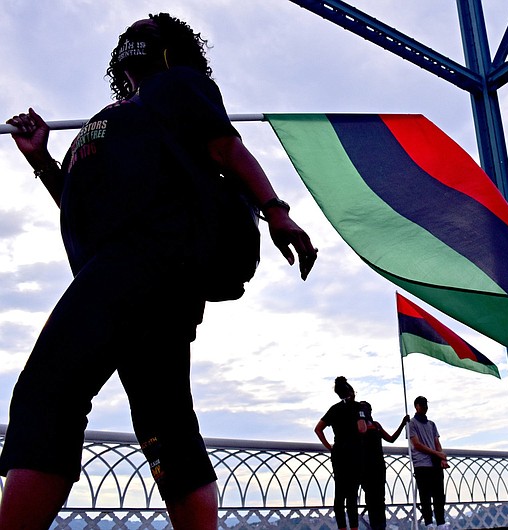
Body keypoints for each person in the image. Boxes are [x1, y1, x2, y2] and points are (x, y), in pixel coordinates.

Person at [0, 13, 317, 530]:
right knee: (166, 426)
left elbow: (225, 147)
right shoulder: (125, 114)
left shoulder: (176, 85)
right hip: (146, 278)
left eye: (148, 28)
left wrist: (276, 212)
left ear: (169, 48)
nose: (135, 33)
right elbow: (88, 209)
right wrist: (42, 162)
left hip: (145, 259)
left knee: (48, 392)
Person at [314, 377, 367, 530]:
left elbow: (318, 429)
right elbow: (362, 429)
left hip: (338, 454)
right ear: (351, 392)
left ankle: (342, 528)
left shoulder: (334, 409)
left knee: (340, 494)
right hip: (355, 454)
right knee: (352, 495)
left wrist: (329, 447)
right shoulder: (358, 408)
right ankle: (354, 528)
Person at [360, 401, 409, 530]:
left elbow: (391, 439)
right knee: (371, 499)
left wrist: (403, 424)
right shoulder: (359, 426)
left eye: (367, 408)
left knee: (380, 498)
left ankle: (381, 526)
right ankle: (375, 526)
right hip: (365, 465)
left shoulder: (376, 425)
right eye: (363, 408)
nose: (366, 410)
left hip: (379, 465)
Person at [408, 396, 449, 530]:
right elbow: (416, 444)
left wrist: (442, 458)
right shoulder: (411, 423)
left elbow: (437, 443)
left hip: (434, 463)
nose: (425, 407)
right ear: (416, 406)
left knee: (439, 496)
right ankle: (429, 523)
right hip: (421, 463)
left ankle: (441, 523)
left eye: (426, 405)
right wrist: (437, 454)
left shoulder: (431, 424)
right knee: (425, 496)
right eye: (422, 405)